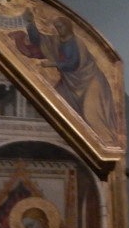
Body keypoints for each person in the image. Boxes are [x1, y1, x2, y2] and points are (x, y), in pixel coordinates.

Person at [12, 15, 118, 145]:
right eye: (56, 27)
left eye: (61, 27)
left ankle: (107, 143)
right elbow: (38, 40)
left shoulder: (77, 43)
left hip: (89, 81)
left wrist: (53, 64)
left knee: (91, 114)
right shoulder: (56, 42)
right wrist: (31, 23)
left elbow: (73, 64)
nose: (59, 30)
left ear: (68, 27)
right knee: (53, 105)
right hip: (70, 83)